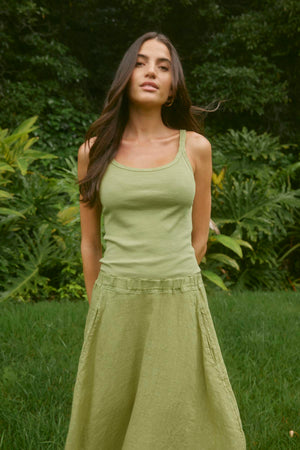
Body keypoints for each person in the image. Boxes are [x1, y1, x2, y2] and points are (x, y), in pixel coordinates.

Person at [65, 31, 246, 450]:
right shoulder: (93, 152)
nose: (151, 72)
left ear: (172, 89)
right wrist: (100, 305)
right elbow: (90, 243)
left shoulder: (196, 148)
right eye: (142, 63)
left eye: (163, 67)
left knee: (180, 412)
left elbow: (199, 239)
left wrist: (171, 282)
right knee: (109, 414)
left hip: (177, 297)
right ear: (126, 77)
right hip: (116, 299)